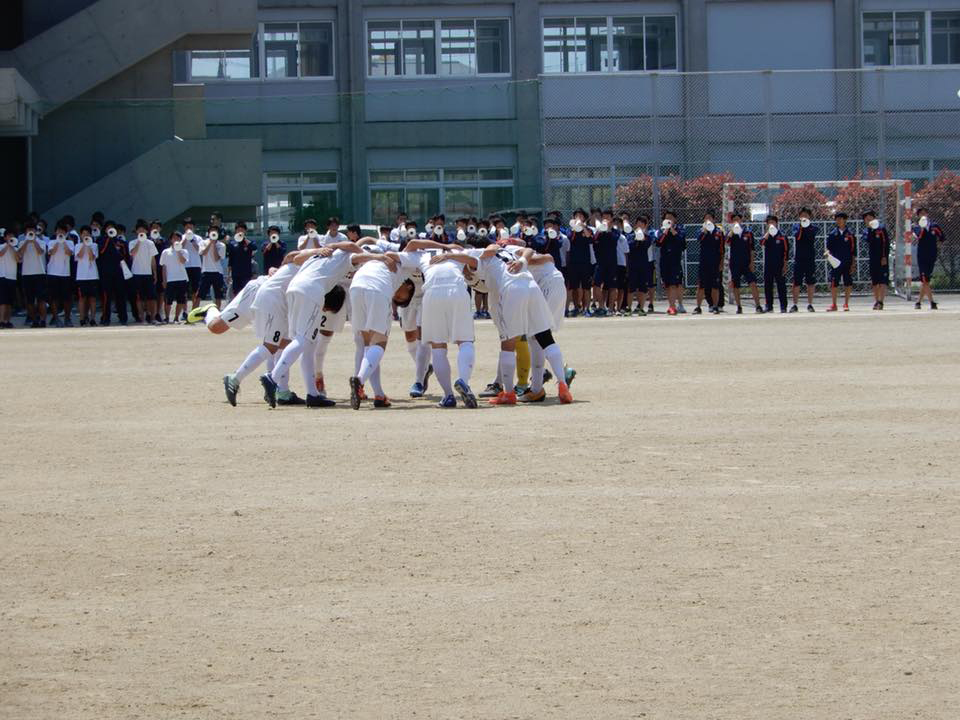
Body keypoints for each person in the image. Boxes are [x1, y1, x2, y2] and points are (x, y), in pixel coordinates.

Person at [458, 244, 572, 405]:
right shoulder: (507, 250)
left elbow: (468, 259)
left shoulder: (479, 257)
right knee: (544, 336)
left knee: (508, 342)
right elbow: (529, 250)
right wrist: (523, 260)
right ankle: (562, 384)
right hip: (532, 286)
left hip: (512, 289)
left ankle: (509, 393)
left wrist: (450, 256)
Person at [260, 242, 363, 408]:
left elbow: (295, 257)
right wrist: (370, 255)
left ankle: (312, 394)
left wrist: (327, 247)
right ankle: (273, 378)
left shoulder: (319, 255)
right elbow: (353, 246)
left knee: (307, 344)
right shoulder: (347, 257)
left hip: (293, 289)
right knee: (304, 340)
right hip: (312, 291)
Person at [394, 237, 480, 409]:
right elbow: (474, 261)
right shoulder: (458, 251)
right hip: (457, 289)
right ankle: (463, 381)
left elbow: (411, 244)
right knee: (465, 342)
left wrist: (442, 246)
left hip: (431, 293)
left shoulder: (422, 254)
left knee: (438, 347)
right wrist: (452, 253)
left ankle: (448, 395)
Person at [348, 252, 417, 409]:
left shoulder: (379, 256)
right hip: (377, 288)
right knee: (379, 344)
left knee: (368, 345)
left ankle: (379, 394)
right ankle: (359, 380)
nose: (397, 297)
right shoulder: (406, 263)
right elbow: (414, 247)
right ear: (409, 286)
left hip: (356, 286)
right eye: (401, 298)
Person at [726, 213, 764, 314]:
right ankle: (739, 306)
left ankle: (758, 306)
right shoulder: (731, 233)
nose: (736, 222)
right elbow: (727, 242)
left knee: (753, 283)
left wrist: (752, 263)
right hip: (735, 263)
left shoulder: (748, 233)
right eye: (734, 220)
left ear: (741, 220)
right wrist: (732, 231)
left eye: (738, 219)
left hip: (746, 263)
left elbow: (752, 249)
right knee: (736, 285)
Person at [97, 221, 128, 326]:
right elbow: (101, 251)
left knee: (120, 295)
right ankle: (105, 318)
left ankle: (123, 317)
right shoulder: (101, 240)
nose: (110, 229)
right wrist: (108, 240)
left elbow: (124, 255)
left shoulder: (119, 241)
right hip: (106, 271)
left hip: (118, 271)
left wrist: (119, 245)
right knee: (106, 296)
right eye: (108, 228)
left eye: (112, 228)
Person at [913, 207, 944, 310]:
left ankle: (918, 302)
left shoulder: (934, 226)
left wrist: (936, 247)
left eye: (924, 213)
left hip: (932, 255)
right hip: (922, 256)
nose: (923, 215)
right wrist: (922, 227)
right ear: (918, 216)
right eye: (920, 213)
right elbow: (919, 236)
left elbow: (942, 237)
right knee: (924, 278)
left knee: (926, 280)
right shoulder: (916, 227)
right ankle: (932, 302)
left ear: (927, 214)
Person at [128, 221, 159, 325]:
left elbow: (153, 259)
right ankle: (142, 318)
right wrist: (139, 241)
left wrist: (154, 272)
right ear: (136, 231)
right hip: (136, 273)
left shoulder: (150, 243)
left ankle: (152, 317)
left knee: (152, 297)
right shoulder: (132, 242)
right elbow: (132, 253)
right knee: (139, 298)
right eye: (139, 230)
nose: (141, 231)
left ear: (147, 231)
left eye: (143, 230)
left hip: (148, 273)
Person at [17, 223, 47, 327]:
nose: (30, 232)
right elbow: (19, 254)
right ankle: (34, 320)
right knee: (29, 300)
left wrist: (34, 241)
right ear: (25, 232)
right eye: (28, 230)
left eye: (32, 230)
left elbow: (40, 252)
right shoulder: (21, 242)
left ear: (36, 231)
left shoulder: (41, 242)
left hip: (40, 273)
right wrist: (26, 242)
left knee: (41, 299)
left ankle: (43, 320)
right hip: (27, 274)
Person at [694, 212, 724, 314]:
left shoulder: (719, 232)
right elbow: (698, 239)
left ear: (714, 219)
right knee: (701, 285)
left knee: (715, 286)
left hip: (715, 262)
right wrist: (705, 230)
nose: (708, 220)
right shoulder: (701, 230)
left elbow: (722, 249)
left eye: (710, 218)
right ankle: (698, 307)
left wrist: (721, 263)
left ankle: (715, 306)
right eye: (706, 218)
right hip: (703, 262)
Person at [825, 212, 856, 312]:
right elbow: (828, 248)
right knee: (834, 283)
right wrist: (827, 253)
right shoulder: (832, 234)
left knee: (847, 282)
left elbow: (853, 251)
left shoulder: (850, 234)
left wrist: (853, 263)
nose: (839, 221)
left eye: (841, 219)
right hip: (835, 263)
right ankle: (834, 304)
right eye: (837, 219)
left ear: (845, 220)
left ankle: (846, 304)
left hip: (847, 261)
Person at [45, 221, 74, 327]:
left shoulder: (70, 243)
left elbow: (69, 253)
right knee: (54, 297)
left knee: (67, 298)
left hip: (65, 273)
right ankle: (56, 318)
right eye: (58, 231)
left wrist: (64, 241)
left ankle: (67, 318)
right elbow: (51, 252)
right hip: (53, 273)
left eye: (62, 231)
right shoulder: (52, 242)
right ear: (55, 232)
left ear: (66, 233)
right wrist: (58, 241)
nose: (60, 233)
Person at [565, 209, 593, 316]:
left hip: (585, 262)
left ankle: (587, 308)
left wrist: (583, 226)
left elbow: (589, 237)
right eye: (576, 216)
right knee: (574, 287)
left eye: (580, 216)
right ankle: (576, 307)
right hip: (573, 262)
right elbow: (569, 237)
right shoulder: (570, 231)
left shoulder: (588, 229)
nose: (578, 218)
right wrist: (575, 227)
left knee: (586, 287)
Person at [790, 207, 818, 312]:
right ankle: (795, 304)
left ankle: (810, 304)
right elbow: (797, 237)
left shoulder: (813, 228)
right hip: (799, 258)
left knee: (810, 282)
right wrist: (802, 227)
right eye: (802, 215)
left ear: (809, 216)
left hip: (810, 258)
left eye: (806, 215)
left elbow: (811, 237)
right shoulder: (796, 227)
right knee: (796, 282)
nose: (804, 217)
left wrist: (806, 227)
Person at [657, 211, 685, 315]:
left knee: (674, 284)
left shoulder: (680, 229)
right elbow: (659, 243)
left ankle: (673, 306)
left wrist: (673, 231)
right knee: (668, 285)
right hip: (665, 261)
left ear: (675, 219)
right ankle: (671, 305)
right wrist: (665, 232)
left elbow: (682, 243)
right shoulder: (661, 231)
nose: (668, 220)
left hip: (675, 261)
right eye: (666, 218)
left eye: (671, 218)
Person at [159, 231, 189, 323]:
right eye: (174, 238)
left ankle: (176, 317)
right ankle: (167, 317)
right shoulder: (165, 252)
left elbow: (183, 261)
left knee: (181, 300)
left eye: (178, 238)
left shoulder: (184, 251)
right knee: (168, 300)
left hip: (182, 278)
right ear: (171, 240)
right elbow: (163, 266)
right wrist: (164, 280)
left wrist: (178, 250)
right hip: (170, 279)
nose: (176, 240)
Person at [761, 215, 789, 313]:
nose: (771, 224)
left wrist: (785, 265)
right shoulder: (767, 236)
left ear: (776, 223)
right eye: (769, 222)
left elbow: (786, 252)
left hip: (779, 265)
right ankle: (769, 306)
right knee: (768, 285)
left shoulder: (782, 236)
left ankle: (783, 306)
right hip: (768, 265)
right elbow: (762, 242)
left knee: (781, 285)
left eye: (773, 222)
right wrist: (768, 232)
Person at [862, 211, 890, 311]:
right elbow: (867, 240)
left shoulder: (881, 229)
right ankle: (876, 300)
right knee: (875, 281)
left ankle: (881, 301)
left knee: (882, 280)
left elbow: (886, 243)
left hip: (882, 258)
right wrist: (870, 229)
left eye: (870, 217)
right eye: (866, 218)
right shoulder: (866, 231)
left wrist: (884, 257)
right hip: (873, 258)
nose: (869, 220)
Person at [625, 215, 651, 316]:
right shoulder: (630, 236)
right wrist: (636, 237)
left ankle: (641, 307)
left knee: (642, 288)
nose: (640, 226)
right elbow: (630, 246)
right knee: (631, 287)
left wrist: (642, 237)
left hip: (643, 264)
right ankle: (629, 308)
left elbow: (647, 244)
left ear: (645, 226)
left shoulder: (648, 237)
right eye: (638, 224)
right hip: (632, 265)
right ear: (635, 225)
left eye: (642, 224)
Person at [74, 226, 100, 326]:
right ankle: (82, 319)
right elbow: (79, 256)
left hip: (93, 275)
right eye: (83, 234)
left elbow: (92, 257)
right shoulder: (77, 246)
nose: (85, 235)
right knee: (82, 298)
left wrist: (88, 245)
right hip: (81, 276)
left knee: (93, 298)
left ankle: (92, 318)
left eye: (87, 234)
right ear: (81, 235)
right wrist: (84, 245)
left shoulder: (94, 245)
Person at [197, 227, 226, 309]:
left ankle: (217, 312)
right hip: (206, 271)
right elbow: (203, 253)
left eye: (215, 232)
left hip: (218, 272)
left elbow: (216, 258)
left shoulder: (221, 245)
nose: (213, 233)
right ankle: (194, 314)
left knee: (218, 295)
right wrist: (210, 243)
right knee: (199, 294)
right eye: (211, 231)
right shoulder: (203, 242)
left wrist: (214, 244)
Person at [227, 222, 255, 295]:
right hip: (235, 273)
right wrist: (229, 274)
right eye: (238, 230)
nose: (240, 232)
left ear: (245, 231)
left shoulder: (249, 242)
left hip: (246, 272)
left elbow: (254, 248)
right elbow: (230, 260)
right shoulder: (232, 243)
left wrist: (244, 239)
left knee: (246, 292)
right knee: (236, 293)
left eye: (242, 230)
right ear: (235, 231)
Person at [181, 217, 203, 313]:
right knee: (184, 290)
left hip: (196, 266)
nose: (189, 229)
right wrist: (186, 238)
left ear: (193, 227)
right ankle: (185, 312)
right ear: (184, 228)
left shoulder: (198, 238)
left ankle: (194, 311)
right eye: (187, 227)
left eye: (190, 227)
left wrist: (193, 240)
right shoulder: (181, 237)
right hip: (184, 266)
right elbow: (179, 248)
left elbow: (200, 250)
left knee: (195, 290)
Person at [0, 228, 18, 328]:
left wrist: (12, 247)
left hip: (12, 277)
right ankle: (1, 320)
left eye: (12, 236)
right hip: (2, 276)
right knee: (2, 301)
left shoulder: (15, 248)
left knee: (10, 301)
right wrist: (8, 245)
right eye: (9, 236)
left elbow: (18, 259)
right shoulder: (1, 246)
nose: (11, 238)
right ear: (5, 237)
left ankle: (7, 321)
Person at [150, 221, 166, 322]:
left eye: (157, 227)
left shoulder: (163, 240)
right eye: (153, 227)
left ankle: (159, 312)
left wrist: (159, 243)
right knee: (152, 292)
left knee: (161, 292)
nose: (155, 229)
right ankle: (152, 313)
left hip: (161, 268)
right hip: (149, 268)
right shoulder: (146, 239)